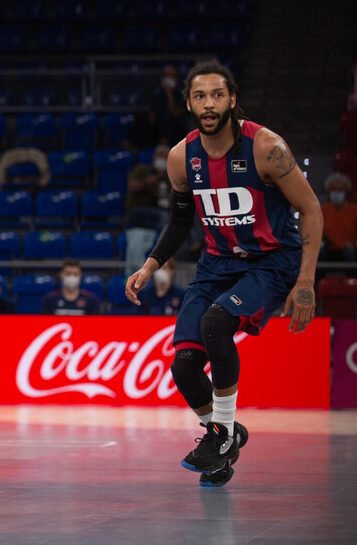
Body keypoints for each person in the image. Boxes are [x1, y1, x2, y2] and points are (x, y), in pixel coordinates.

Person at [125, 60, 322, 487]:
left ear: (232, 99)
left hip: (271, 260)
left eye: (217, 95)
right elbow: (180, 221)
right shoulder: (181, 157)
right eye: (200, 96)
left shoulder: (266, 147)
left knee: (216, 322)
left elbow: (310, 208)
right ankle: (224, 440)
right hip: (217, 264)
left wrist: (305, 282)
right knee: (183, 368)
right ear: (189, 103)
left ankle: (223, 436)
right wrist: (151, 264)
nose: (209, 104)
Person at [124, 144, 171, 274]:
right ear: (154, 157)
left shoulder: (169, 177)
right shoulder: (143, 169)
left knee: (171, 217)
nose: (162, 160)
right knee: (164, 217)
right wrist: (147, 182)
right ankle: (163, 251)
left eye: (165, 158)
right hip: (137, 212)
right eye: (160, 157)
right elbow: (131, 186)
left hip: (156, 216)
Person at [149, 64, 189, 146]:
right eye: (166, 76)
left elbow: (177, 113)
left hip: (178, 134)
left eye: (171, 76)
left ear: (177, 78)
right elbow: (152, 119)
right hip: (159, 136)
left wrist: (169, 94)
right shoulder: (157, 94)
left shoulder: (182, 94)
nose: (168, 79)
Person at [322, 172, 357, 262]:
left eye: (340, 189)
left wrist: (354, 245)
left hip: (349, 250)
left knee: (350, 254)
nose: (337, 193)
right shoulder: (323, 211)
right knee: (319, 255)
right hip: (328, 250)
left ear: (346, 191)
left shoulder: (354, 211)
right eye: (334, 189)